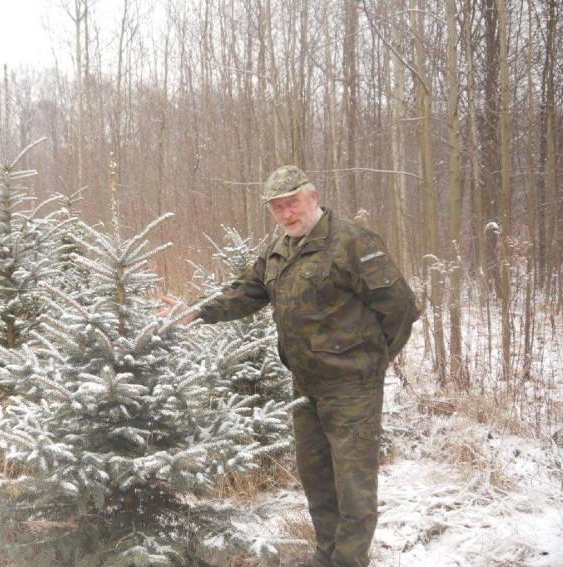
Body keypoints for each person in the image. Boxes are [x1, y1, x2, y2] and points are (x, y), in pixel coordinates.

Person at [161, 165, 419, 567]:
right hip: (305, 388)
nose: (286, 214)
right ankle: (325, 557)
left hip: (352, 387)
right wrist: (195, 313)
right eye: (277, 208)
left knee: (354, 488)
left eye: (292, 203)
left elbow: (400, 307)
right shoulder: (280, 248)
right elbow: (247, 291)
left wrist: (373, 361)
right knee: (317, 482)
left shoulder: (352, 242)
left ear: (312, 197)